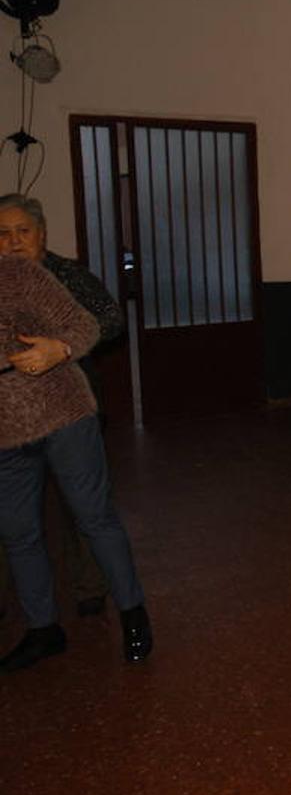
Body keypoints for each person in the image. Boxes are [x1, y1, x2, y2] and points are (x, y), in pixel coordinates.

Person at [0, 255, 152, 672]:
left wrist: (59, 349)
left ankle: (133, 613)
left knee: (93, 517)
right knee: (19, 534)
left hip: (64, 413)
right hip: (6, 432)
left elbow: (85, 324)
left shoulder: (19, 274)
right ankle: (43, 630)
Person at [0, 194, 121, 618]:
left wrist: (62, 348)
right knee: (13, 517)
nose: (13, 242)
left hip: (70, 406)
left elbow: (108, 318)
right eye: (2, 234)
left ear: (42, 235)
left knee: (82, 508)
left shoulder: (67, 274)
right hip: (10, 420)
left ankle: (92, 589)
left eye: (22, 232)